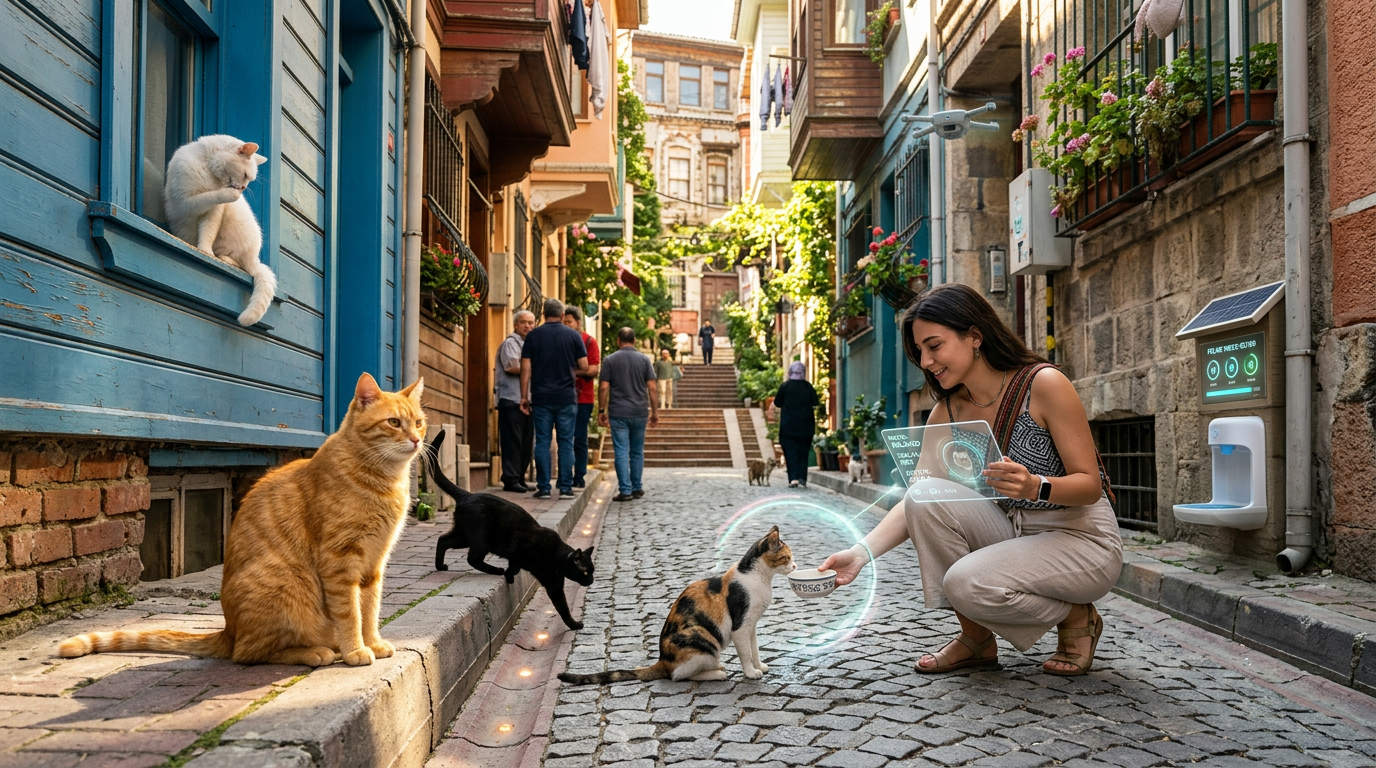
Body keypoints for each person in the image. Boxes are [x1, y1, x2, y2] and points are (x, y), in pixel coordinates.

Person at [819, 283, 1122, 677]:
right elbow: (917, 501)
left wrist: (1036, 486)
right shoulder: (947, 411)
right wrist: (860, 555)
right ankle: (977, 638)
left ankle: (1077, 616)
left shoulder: (1044, 384)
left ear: (975, 336)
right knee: (926, 494)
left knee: (964, 582)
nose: (926, 361)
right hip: (1015, 532)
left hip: (1080, 538)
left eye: (934, 346)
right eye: (920, 351)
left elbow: (1090, 486)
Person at [521, 299, 591, 499]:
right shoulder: (573, 335)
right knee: (566, 442)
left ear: (543, 314)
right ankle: (566, 488)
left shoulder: (533, 336)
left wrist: (524, 396)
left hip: (541, 397)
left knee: (542, 441)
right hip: (566, 397)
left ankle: (544, 488)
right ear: (562, 315)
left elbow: (525, 368)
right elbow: (585, 366)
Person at [598, 328, 659, 502]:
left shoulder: (610, 360)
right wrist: (655, 412)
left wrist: (601, 410)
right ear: (635, 340)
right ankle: (637, 487)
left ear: (618, 341)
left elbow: (604, 387)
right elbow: (652, 388)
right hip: (639, 411)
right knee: (637, 451)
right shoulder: (644, 360)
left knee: (621, 451)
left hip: (618, 412)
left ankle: (625, 490)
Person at [494, 310, 536, 492]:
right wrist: (536, 369)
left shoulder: (530, 344)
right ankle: (511, 479)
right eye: (523, 322)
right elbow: (512, 366)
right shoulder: (510, 343)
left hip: (527, 400)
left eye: (531, 323)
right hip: (511, 399)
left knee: (526, 442)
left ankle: (520, 478)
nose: (527, 326)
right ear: (515, 325)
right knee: (512, 442)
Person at [563, 306, 601, 489]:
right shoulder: (560, 340)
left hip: (583, 398)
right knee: (564, 438)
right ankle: (564, 476)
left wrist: (570, 372)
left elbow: (593, 370)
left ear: (578, 322)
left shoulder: (588, 341)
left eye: (569, 322)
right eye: (564, 322)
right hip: (562, 397)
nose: (566, 325)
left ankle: (579, 475)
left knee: (579, 438)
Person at [773, 362, 821, 488]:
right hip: (806, 426)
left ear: (790, 372)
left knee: (790, 452)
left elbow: (777, 402)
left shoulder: (785, 386)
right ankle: (802, 478)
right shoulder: (808, 386)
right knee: (803, 452)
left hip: (788, 426)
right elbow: (815, 402)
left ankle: (793, 478)